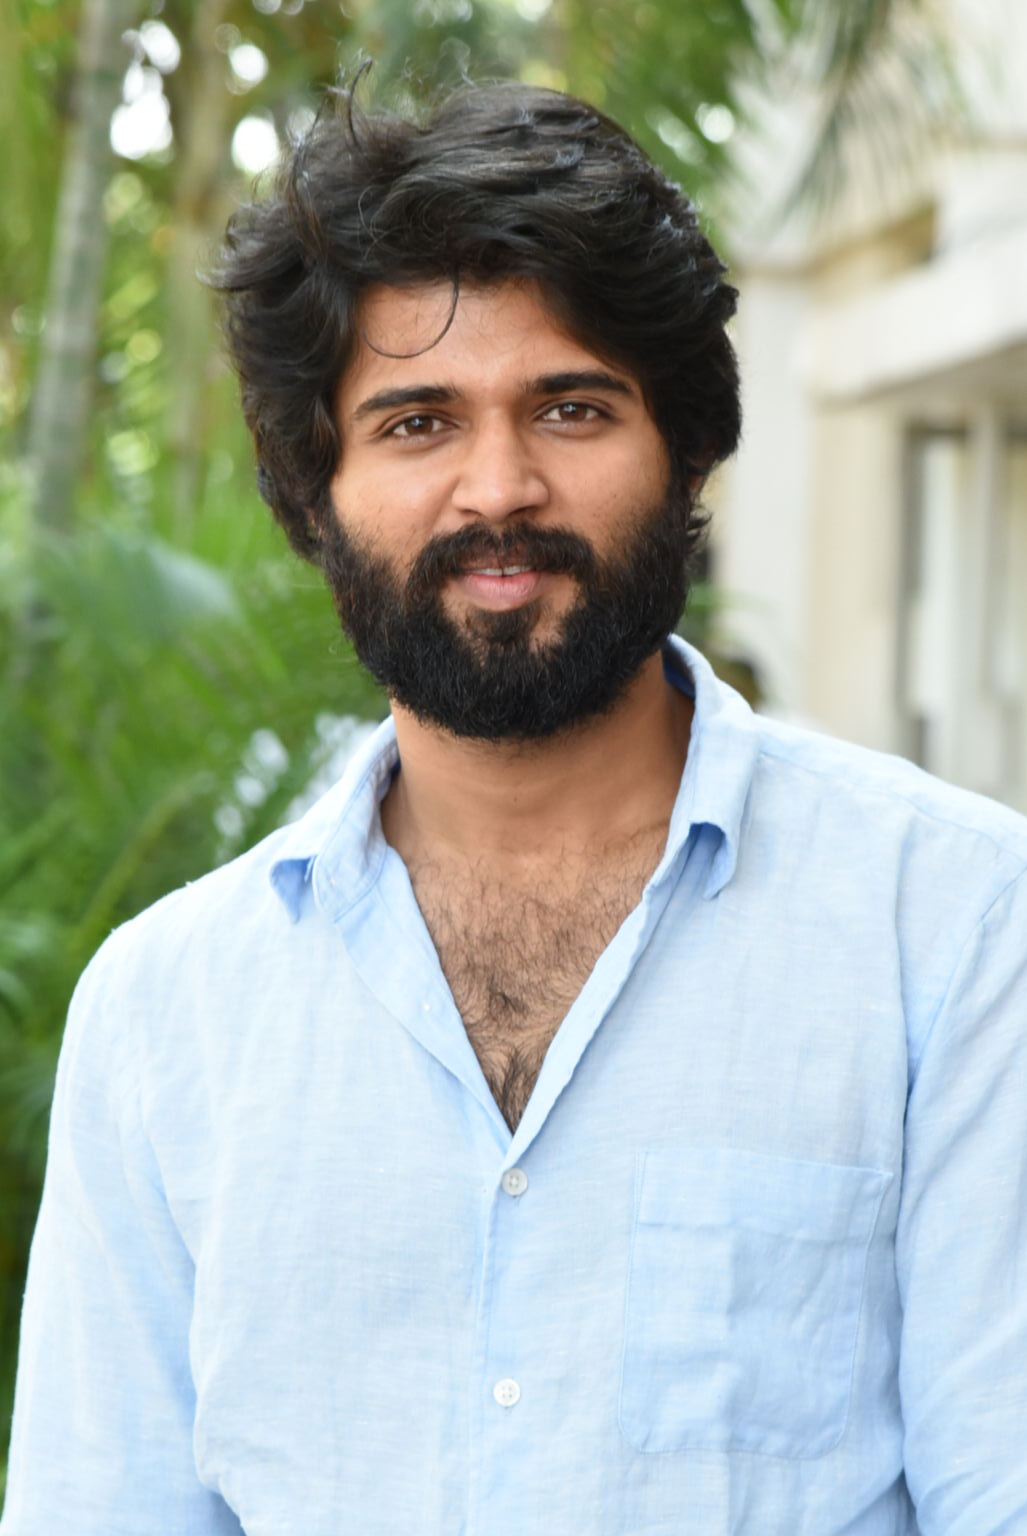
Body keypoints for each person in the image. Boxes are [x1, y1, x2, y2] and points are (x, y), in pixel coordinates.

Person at [2, 76, 1026, 1536]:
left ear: (686, 452)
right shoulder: (167, 1013)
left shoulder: (962, 930)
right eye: (417, 421)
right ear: (315, 491)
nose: (499, 488)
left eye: (571, 406)